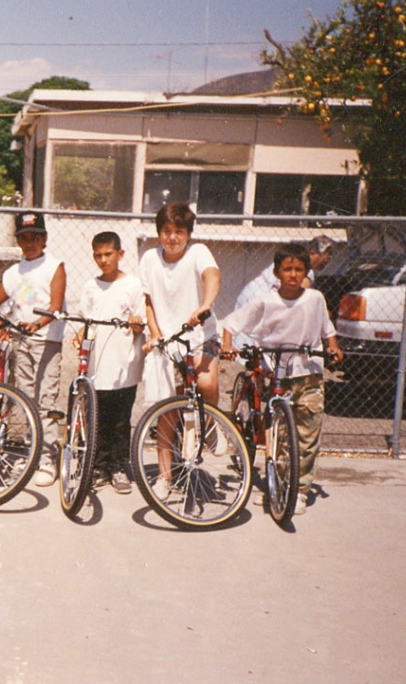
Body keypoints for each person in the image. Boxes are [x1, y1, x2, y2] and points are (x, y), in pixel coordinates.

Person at [220, 243, 343, 515]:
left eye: (299, 269)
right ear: (276, 272)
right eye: (287, 269)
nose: (293, 274)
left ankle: (299, 491)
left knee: (308, 434)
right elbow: (231, 323)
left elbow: (327, 329)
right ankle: (277, 485)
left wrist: (332, 346)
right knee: (278, 435)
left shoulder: (315, 299)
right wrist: (228, 345)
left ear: (306, 272)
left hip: (308, 371)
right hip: (276, 374)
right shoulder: (266, 301)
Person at [139, 202, 221, 500]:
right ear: (159, 233)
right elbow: (147, 300)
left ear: (188, 234)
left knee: (206, 382)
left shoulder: (198, 252)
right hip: (166, 340)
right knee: (167, 411)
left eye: (179, 232)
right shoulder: (149, 258)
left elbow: (211, 276)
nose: (172, 237)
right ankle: (165, 477)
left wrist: (205, 305)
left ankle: (211, 425)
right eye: (166, 231)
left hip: (199, 332)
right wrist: (156, 334)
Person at [0, 212, 66, 487]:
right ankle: (32, 453)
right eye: (24, 238)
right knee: (24, 397)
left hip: (47, 341)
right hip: (21, 343)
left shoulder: (54, 266)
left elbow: (56, 305)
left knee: (45, 398)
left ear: (44, 238)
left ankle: (48, 458)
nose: (29, 243)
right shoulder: (13, 273)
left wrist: (37, 324)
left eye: (34, 237)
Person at [76, 231, 146, 494]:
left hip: (124, 366)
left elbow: (141, 325)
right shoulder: (90, 287)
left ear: (120, 254)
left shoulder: (134, 286)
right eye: (98, 255)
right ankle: (99, 466)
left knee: (120, 419)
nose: (103, 260)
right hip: (96, 366)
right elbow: (84, 323)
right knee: (98, 417)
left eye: (108, 254)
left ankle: (119, 466)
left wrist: (137, 325)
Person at [234, 235, 336, 311]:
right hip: (261, 300)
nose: (328, 260)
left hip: (249, 293)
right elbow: (302, 299)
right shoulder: (305, 268)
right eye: (326, 256)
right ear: (312, 253)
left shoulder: (291, 257)